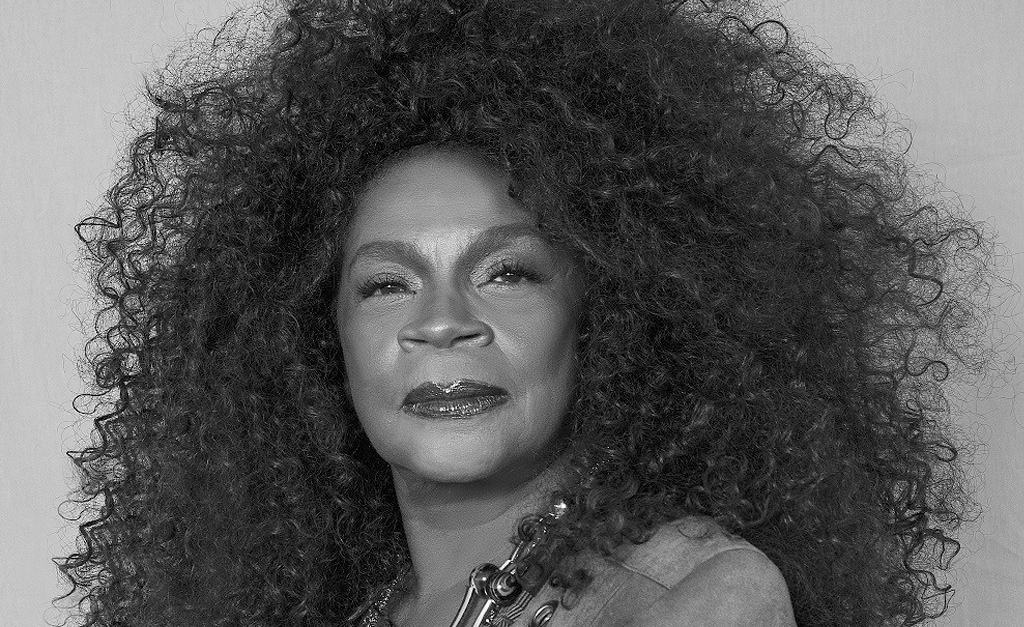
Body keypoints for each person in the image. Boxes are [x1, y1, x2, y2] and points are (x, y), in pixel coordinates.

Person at [58, 0, 1001, 625]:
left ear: (610, 316)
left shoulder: (697, 600)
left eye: (507, 271)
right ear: (317, 339)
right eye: (386, 283)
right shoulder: (348, 604)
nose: (443, 321)